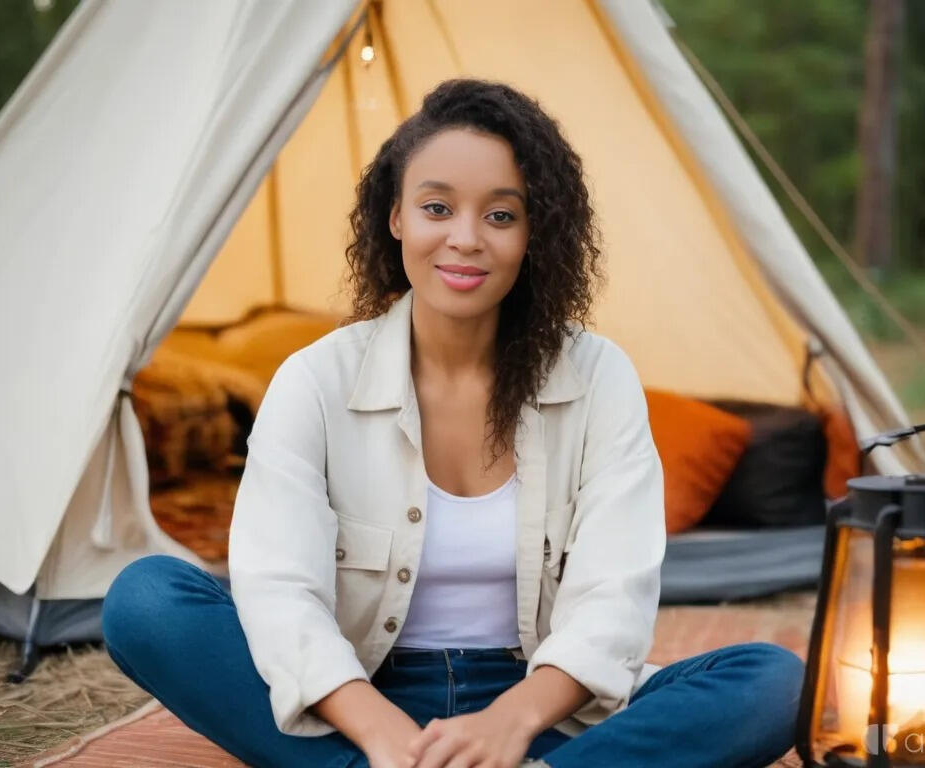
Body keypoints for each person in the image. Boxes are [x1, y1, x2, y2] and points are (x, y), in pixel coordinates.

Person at [102, 79, 805, 768]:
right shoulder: (315, 381)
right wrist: (377, 730)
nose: (465, 239)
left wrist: (510, 721)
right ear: (397, 217)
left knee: (774, 681)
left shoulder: (598, 378)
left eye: (501, 215)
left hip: (540, 704)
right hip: (356, 697)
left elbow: (611, 596)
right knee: (146, 600)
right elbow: (280, 588)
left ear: (536, 232)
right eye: (437, 208)